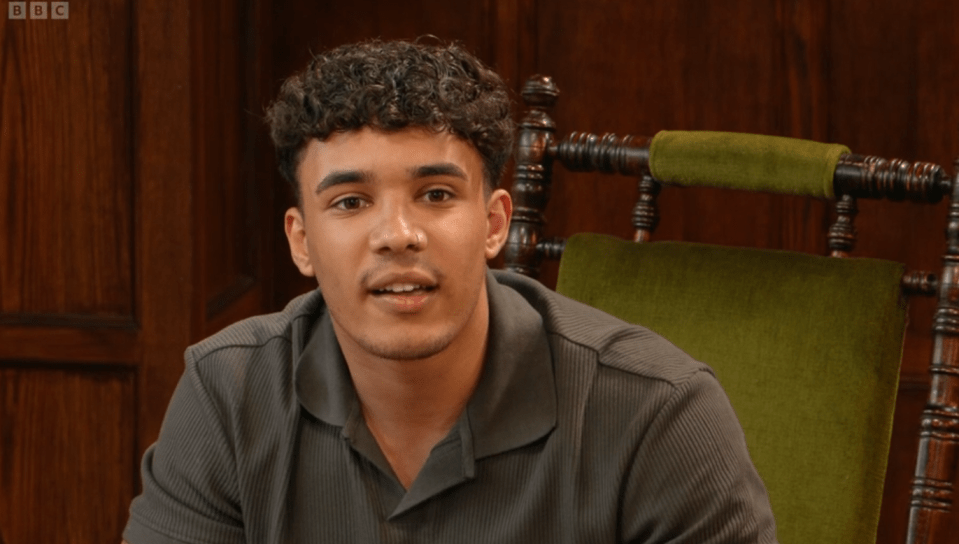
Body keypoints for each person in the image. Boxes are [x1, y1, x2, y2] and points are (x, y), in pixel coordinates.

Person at [122, 39, 777, 544]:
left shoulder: (655, 413)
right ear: (301, 241)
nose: (397, 235)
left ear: (493, 223)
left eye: (435, 195)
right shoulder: (227, 394)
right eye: (350, 202)